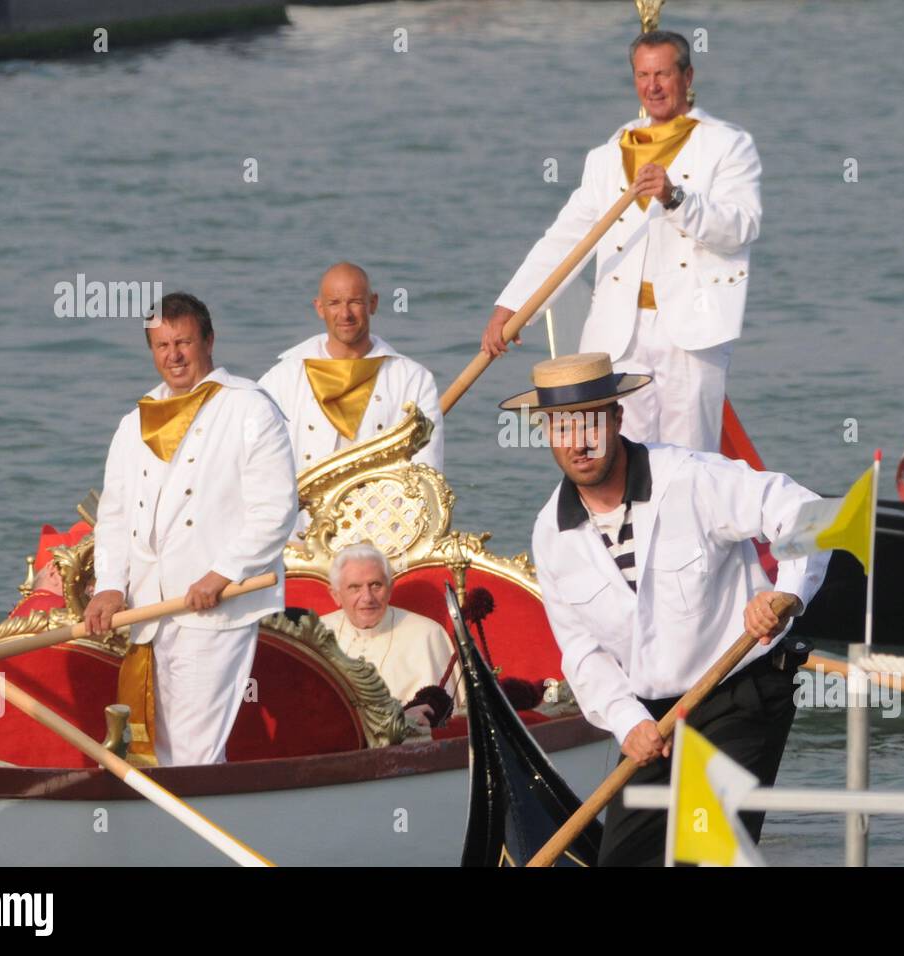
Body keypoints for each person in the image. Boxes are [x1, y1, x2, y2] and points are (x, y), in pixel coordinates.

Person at [504, 352, 830, 866]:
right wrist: (627, 721)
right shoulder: (551, 535)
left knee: (702, 857)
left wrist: (786, 594)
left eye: (591, 421)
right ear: (547, 432)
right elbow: (582, 652)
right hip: (654, 721)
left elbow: (805, 512)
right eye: (563, 425)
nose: (579, 440)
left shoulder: (689, 477)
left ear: (616, 419)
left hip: (739, 694)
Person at [482, 31, 761, 453]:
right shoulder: (609, 155)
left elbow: (740, 228)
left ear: (687, 76)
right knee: (619, 455)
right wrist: (512, 307)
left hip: (690, 334)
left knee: (690, 462)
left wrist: (675, 198)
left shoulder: (727, 145)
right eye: (643, 75)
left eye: (664, 74)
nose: (653, 86)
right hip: (617, 334)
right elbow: (565, 239)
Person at [85, 292, 297, 766]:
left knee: (193, 746)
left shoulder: (249, 408)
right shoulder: (133, 422)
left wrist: (221, 573)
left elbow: (276, 509)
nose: (173, 356)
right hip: (147, 610)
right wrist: (111, 586)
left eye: (183, 342)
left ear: (209, 340)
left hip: (213, 608)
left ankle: (193, 824)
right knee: (156, 741)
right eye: (161, 345)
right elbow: (115, 515)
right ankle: (176, 827)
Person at [260, 262, 444, 478]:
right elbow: (260, 462)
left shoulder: (412, 379)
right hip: (300, 512)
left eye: (355, 302)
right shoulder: (282, 379)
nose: (345, 314)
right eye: (334, 303)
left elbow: (425, 471)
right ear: (320, 308)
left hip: (382, 510)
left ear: (373, 304)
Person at [319, 543, 463, 732]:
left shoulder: (427, 635)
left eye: (376, 585)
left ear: (390, 588)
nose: (367, 597)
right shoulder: (315, 634)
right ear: (336, 595)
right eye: (354, 588)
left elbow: (445, 723)